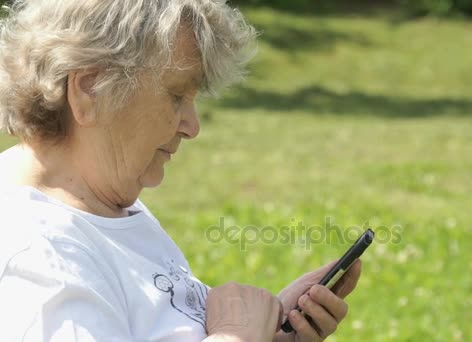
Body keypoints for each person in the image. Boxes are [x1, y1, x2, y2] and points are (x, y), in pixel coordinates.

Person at [0, 0, 362, 341]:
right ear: (90, 90)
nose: (192, 125)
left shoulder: (106, 208)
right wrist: (236, 334)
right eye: (176, 96)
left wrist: (272, 328)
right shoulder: (41, 257)